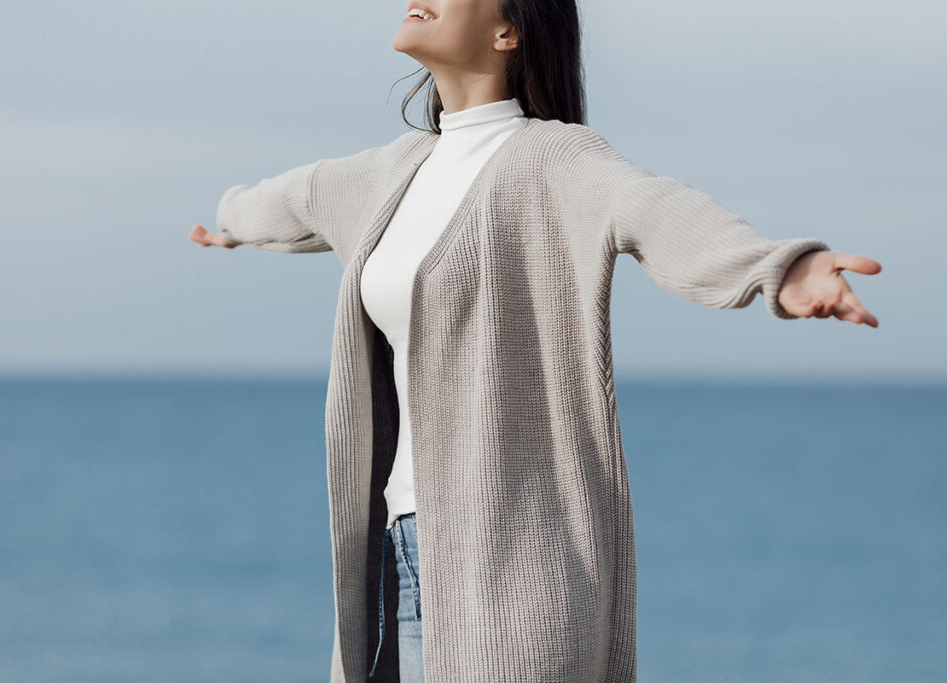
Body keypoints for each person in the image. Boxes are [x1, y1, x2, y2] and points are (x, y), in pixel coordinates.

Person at [189, 1, 881, 680]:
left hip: (512, 574)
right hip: (395, 560)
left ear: (507, 30)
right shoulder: (387, 174)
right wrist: (231, 224)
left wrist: (780, 267)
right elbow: (288, 200)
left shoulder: (554, 158)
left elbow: (653, 208)